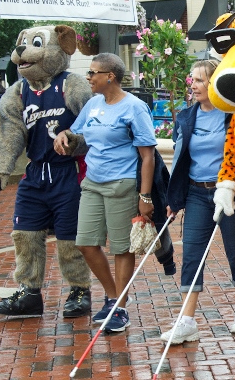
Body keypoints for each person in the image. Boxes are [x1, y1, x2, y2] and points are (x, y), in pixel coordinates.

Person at [0, 24, 93, 318]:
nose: (23, 51)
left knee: (70, 236)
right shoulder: (18, 91)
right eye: (22, 44)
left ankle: (79, 289)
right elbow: (9, 132)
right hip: (34, 174)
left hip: (68, 171)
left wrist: (76, 141)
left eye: (33, 43)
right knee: (25, 233)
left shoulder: (72, 84)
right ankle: (29, 293)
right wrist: (2, 167)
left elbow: (94, 124)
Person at [54, 53, 158, 333]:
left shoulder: (134, 108)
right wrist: (64, 134)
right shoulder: (93, 104)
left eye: (92, 73)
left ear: (109, 76)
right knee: (86, 243)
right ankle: (114, 297)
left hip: (121, 184)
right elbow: (77, 133)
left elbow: (147, 156)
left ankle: (120, 307)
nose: (88, 77)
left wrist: (145, 197)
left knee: (121, 248)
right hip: (92, 183)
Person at [161, 60, 235, 343]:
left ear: (214, 83)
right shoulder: (187, 117)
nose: (194, 85)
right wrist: (173, 198)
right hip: (196, 193)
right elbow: (179, 158)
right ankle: (187, 321)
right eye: (192, 80)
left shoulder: (233, 114)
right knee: (191, 254)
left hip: (229, 192)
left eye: (199, 80)